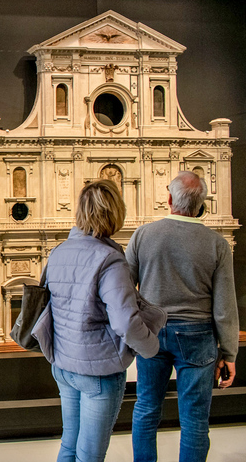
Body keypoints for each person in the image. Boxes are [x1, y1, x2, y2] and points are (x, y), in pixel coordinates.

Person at [42, 179, 165, 462]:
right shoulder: (109, 260)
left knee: (69, 445)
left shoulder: (59, 251)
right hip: (98, 371)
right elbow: (125, 321)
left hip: (63, 364)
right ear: (115, 213)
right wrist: (151, 347)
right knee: (90, 455)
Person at [127, 171, 238, 462]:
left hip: (152, 332)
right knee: (195, 418)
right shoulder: (217, 244)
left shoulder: (143, 235)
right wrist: (229, 352)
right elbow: (224, 305)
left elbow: (125, 289)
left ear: (169, 199)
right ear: (201, 205)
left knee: (147, 409)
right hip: (198, 335)